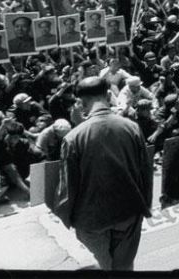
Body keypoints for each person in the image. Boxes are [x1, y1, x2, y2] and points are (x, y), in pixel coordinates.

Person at [55, 77, 153, 271]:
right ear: (109, 95)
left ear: (81, 103)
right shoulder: (132, 127)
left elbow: (67, 189)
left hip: (91, 221)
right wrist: (144, 206)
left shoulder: (73, 137)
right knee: (124, 267)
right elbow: (145, 173)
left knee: (106, 266)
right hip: (128, 212)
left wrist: (67, 219)